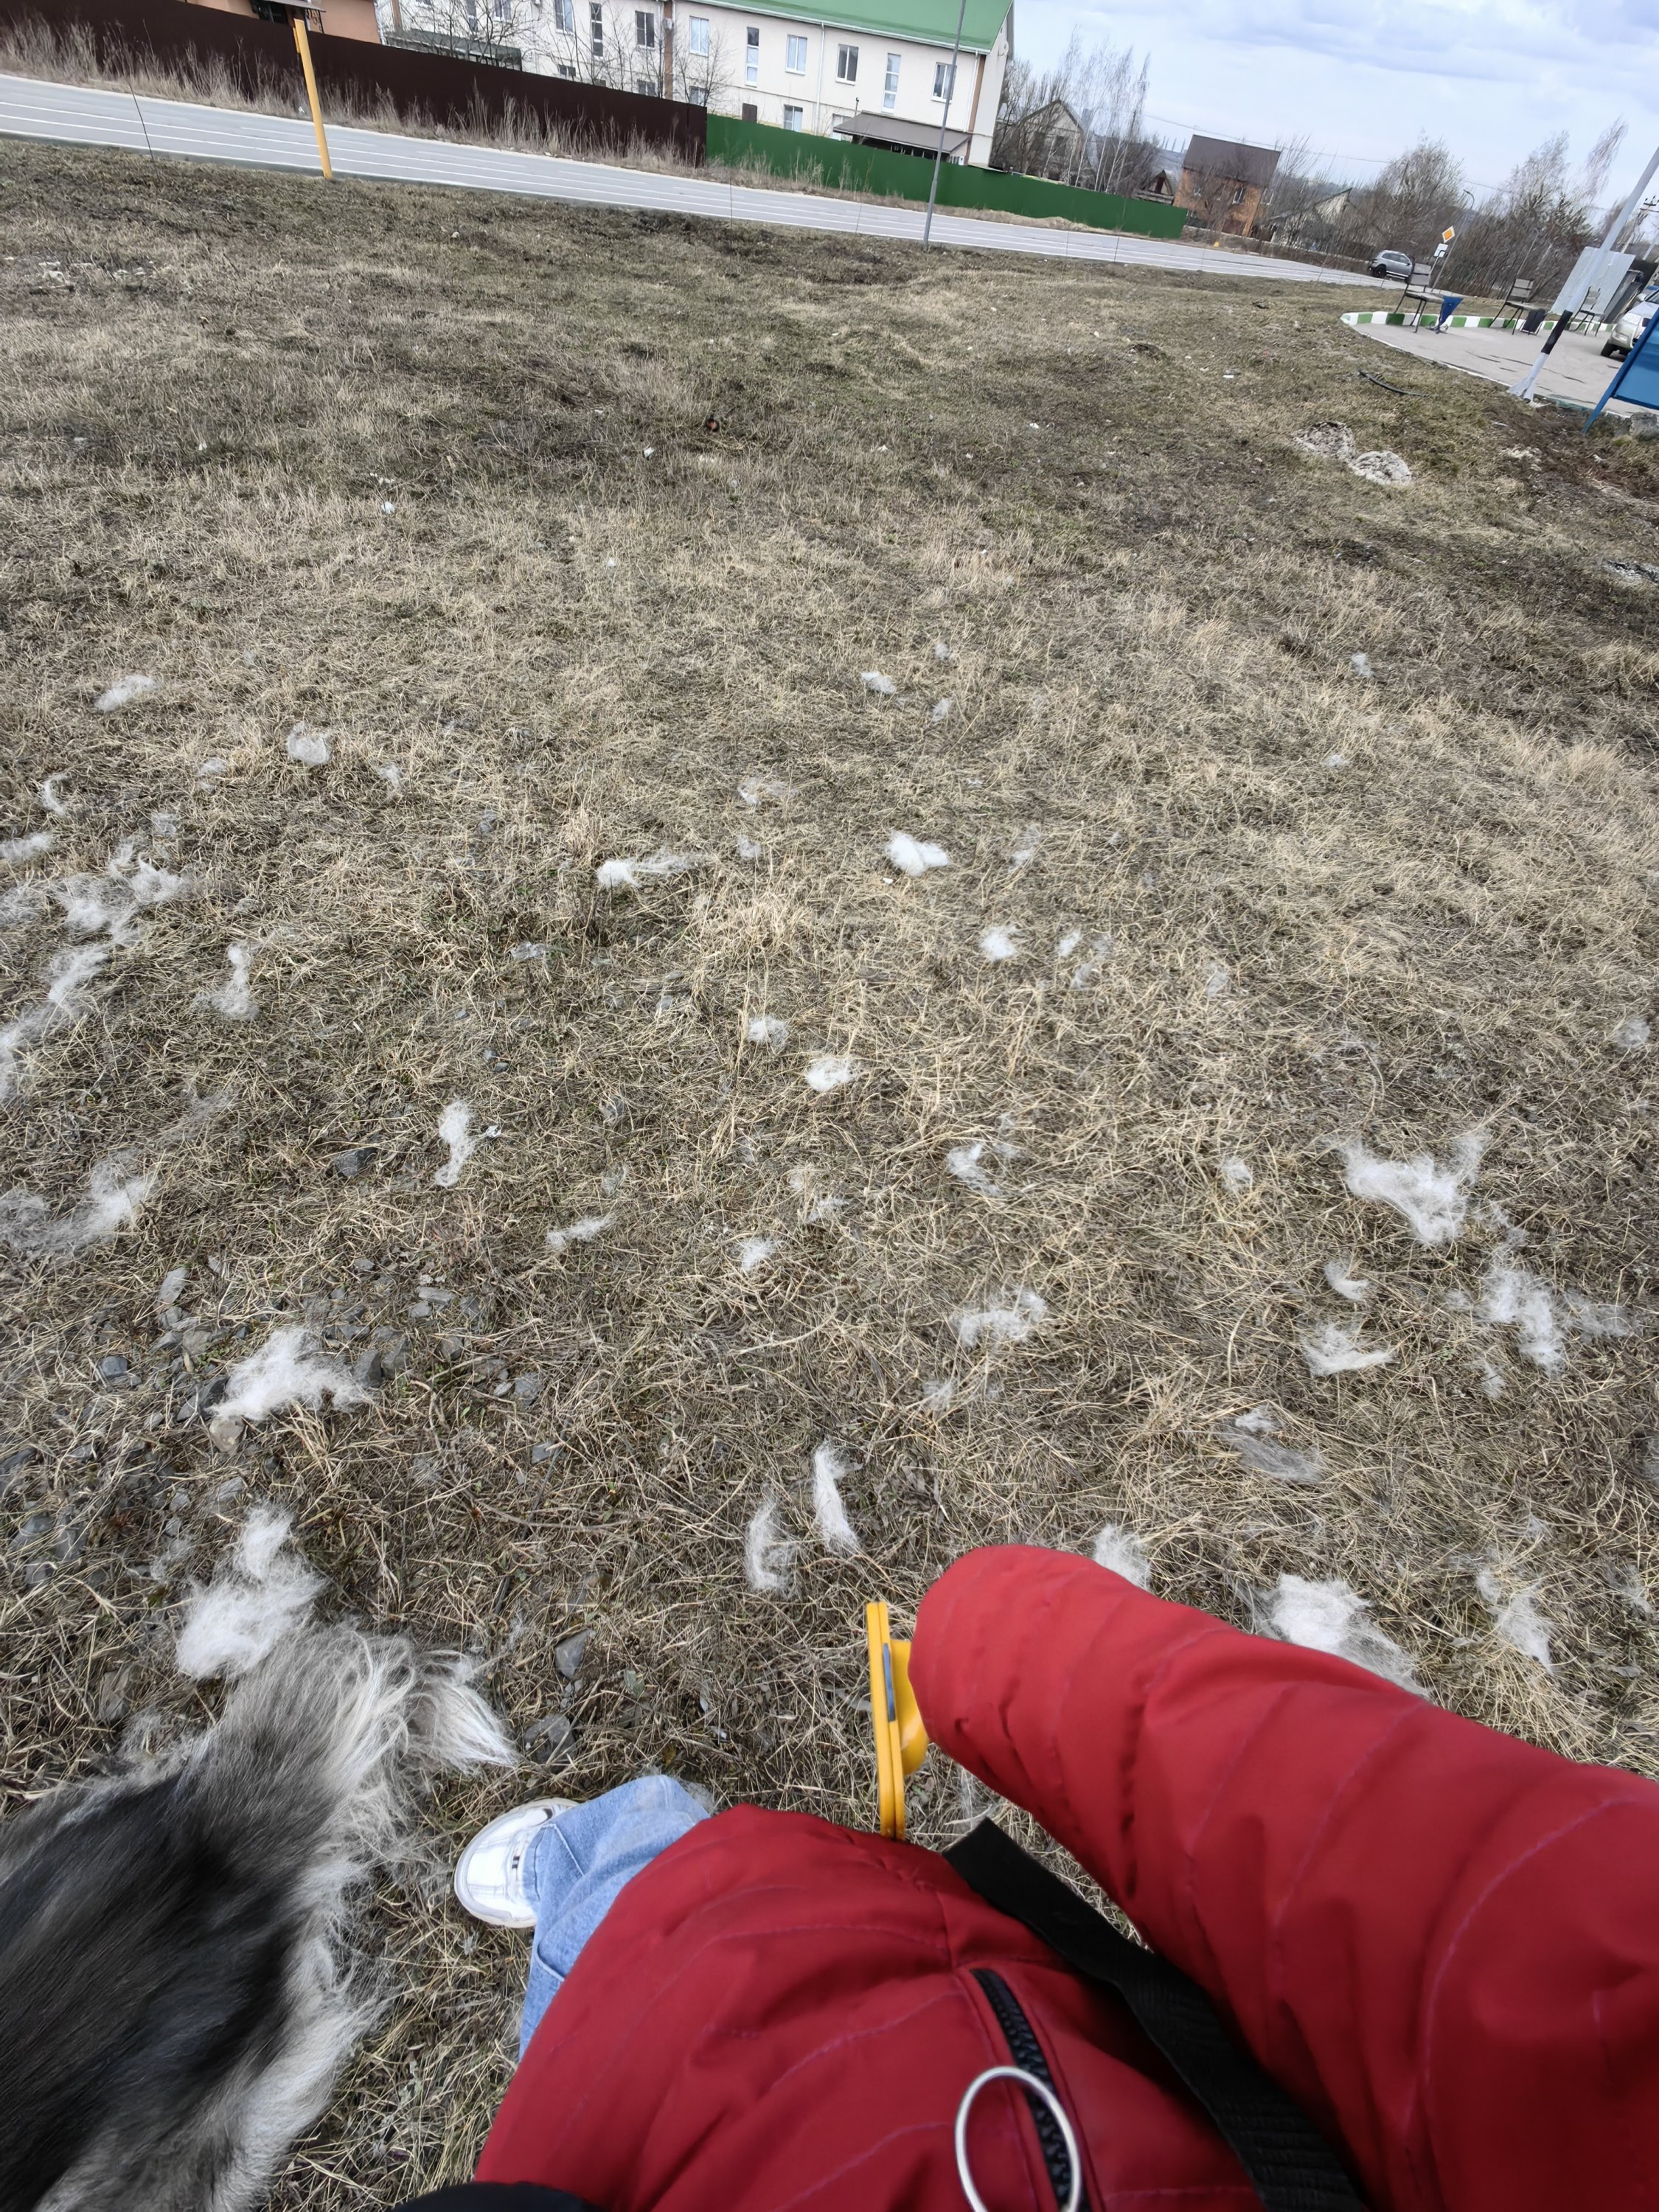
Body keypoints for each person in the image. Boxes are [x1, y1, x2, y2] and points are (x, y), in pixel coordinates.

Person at [402, 1544, 1659, 2212]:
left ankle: (595, 1860)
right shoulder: (1601, 2027)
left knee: (642, 1931)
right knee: (652, 1946)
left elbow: (1366, 1849)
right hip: (1011, 2070)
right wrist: (982, 1647)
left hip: (761, 2049)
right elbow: (1394, 1881)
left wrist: (989, 1633)